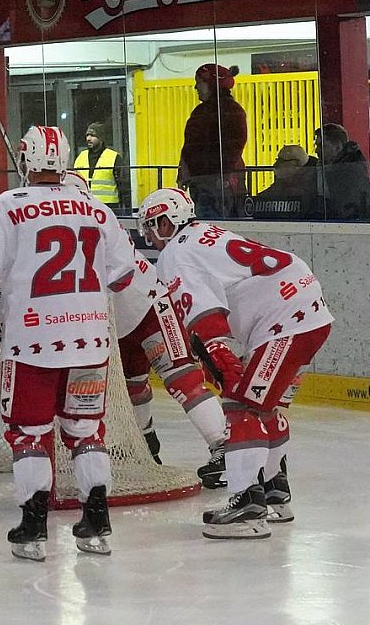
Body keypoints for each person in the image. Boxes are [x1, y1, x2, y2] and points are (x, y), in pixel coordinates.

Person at [0, 126, 138, 559]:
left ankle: (34, 528)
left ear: (24, 160)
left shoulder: (6, 206)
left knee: (28, 434)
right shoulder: (95, 208)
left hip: (32, 342)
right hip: (90, 340)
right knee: (86, 430)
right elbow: (123, 275)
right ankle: (96, 522)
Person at [138, 187, 334, 539]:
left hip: (285, 320)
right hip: (306, 311)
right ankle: (275, 493)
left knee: (240, 406)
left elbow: (204, 313)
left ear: (167, 223)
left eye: (151, 226)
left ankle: (247, 506)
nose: (149, 236)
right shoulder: (205, 234)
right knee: (266, 406)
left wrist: (220, 354)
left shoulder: (176, 254)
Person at [58, 173, 227, 485]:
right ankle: (144, 446)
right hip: (114, 319)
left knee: (181, 378)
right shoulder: (91, 215)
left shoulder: (90, 217)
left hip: (147, 305)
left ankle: (224, 446)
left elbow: (120, 275)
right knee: (131, 386)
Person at [178, 63, 248, 218]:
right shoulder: (214, 110)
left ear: (211, 83)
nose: (196, 87)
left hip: (216, 184)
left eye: (199, 82)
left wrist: (219, 175)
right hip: (210, 182)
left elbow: (233, 147)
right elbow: (190, 146)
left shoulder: (226, 110)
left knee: (212, 227)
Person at [307, 123, 370, 221]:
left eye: (322, 146)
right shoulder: (319, 167)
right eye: (316, 146)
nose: (316, 150)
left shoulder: (351, 170)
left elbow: (347, 206)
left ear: (337, 147)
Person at [72, 121, 128, 210]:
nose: (88, 138)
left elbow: (124, 186)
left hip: (108, 207)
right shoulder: (81, 157)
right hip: (84, 206)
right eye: (87, 135)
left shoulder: (113, 157)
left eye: (93, 135)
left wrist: (126, 208)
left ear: (101, 138)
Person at [250, 144, 312, 220]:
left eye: (281, 161)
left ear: (296, 164)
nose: (275, 165)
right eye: (277, 160)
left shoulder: (307, 187)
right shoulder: (281, 183)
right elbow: (262, 198)